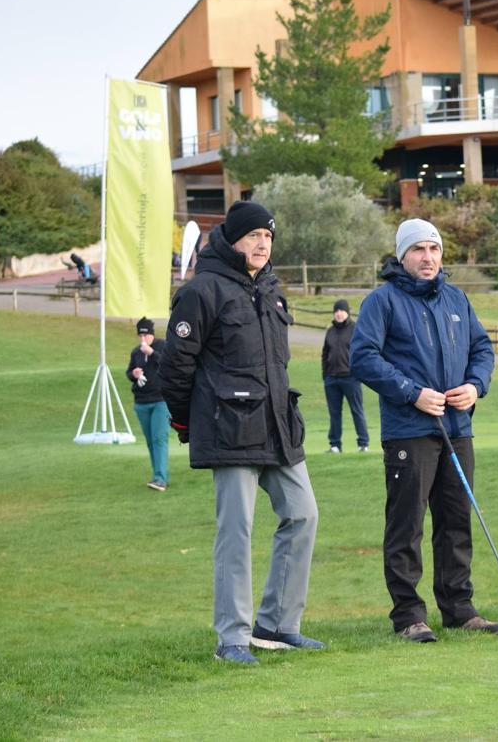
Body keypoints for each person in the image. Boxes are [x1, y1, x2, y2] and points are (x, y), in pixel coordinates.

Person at [159, 200, 322, 665]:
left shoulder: (271, 290)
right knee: (237, 532)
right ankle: (233, 637)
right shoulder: (202, 290)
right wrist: (184, 420)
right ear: (232, 239)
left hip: (278, 426)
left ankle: (277, 624)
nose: (263, 243)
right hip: (227, 430)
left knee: (303, 515)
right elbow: (176, 365)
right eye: (254, 236)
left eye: (268, 237)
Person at [350, 218, 498, 642]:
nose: (428, 257)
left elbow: (482, 348)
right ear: (402, 256)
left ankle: (458, 608)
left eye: (433, 249)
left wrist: (475, 385)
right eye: (418, 250)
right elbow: (362, 357)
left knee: (456, 520)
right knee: (407, 523)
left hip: (457, 426)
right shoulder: (383, 302)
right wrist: (411, 393)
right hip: (408, 429)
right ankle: (409, 616)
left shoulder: (456, 298)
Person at [126, 317, 169, 491]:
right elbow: (129, 372)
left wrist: (151, 353)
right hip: (142, 402)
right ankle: (158, 474)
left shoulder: (162, 346)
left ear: (152, 334)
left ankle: (160, 478)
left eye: (146, 335)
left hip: (160, 401)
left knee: (159, 438)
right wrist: (134, 373)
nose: (143, 339)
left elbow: (169, 364)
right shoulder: (136, 352)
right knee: (151, 440)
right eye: (141, 336)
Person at [322, 299, 369, 453]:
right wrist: (326, 376)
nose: (339, 313)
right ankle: (335, 445)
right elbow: (325, 354)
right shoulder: (330, 331)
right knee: (334, 413)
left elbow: (362, 352)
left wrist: (358, 373)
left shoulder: (355, 329)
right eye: (336, 311)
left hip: (351, 378)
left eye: (341, 310)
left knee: (357, 411)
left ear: (347, 312)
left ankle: (363, 444)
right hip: (332, 378)